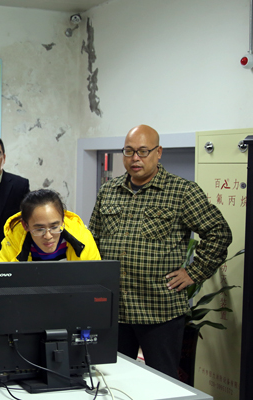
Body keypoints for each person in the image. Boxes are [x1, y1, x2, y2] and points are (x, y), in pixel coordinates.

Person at [89, 124, 232, 379]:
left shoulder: (182, 192)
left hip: (159, 311)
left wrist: (193, 273)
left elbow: (219, 233)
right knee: (111, 379)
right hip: (114, 310)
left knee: (161, 382)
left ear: (159, 152)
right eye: (129, 151)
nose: (135, 158)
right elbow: (93, 240)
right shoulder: (108, 191)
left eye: (143, 151)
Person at [0, 189, 100, 262]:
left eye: (54, 227)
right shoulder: (15, 239)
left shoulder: (82, 238)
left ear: (62, 221)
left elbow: (95, 279)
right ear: (25, 225)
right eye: (39, 229)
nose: (48, 236)